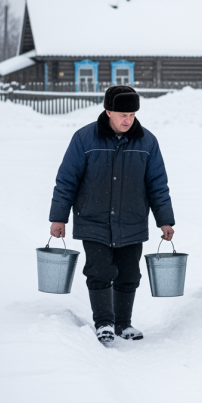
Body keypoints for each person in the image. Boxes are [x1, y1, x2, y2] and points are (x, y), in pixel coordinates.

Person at [48, 86, 175, 344]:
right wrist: (58, 216)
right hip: (93, 219)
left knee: (129, 274)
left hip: (132, 220)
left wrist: (165, 220)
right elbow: (66, 180)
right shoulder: (84, 139)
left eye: (132, 114)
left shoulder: (147, 142)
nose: (128, 120)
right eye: (122, 114)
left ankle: (122, 323)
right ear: (108, 112)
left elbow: (157, 184)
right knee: (99, 271)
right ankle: (104, 322)